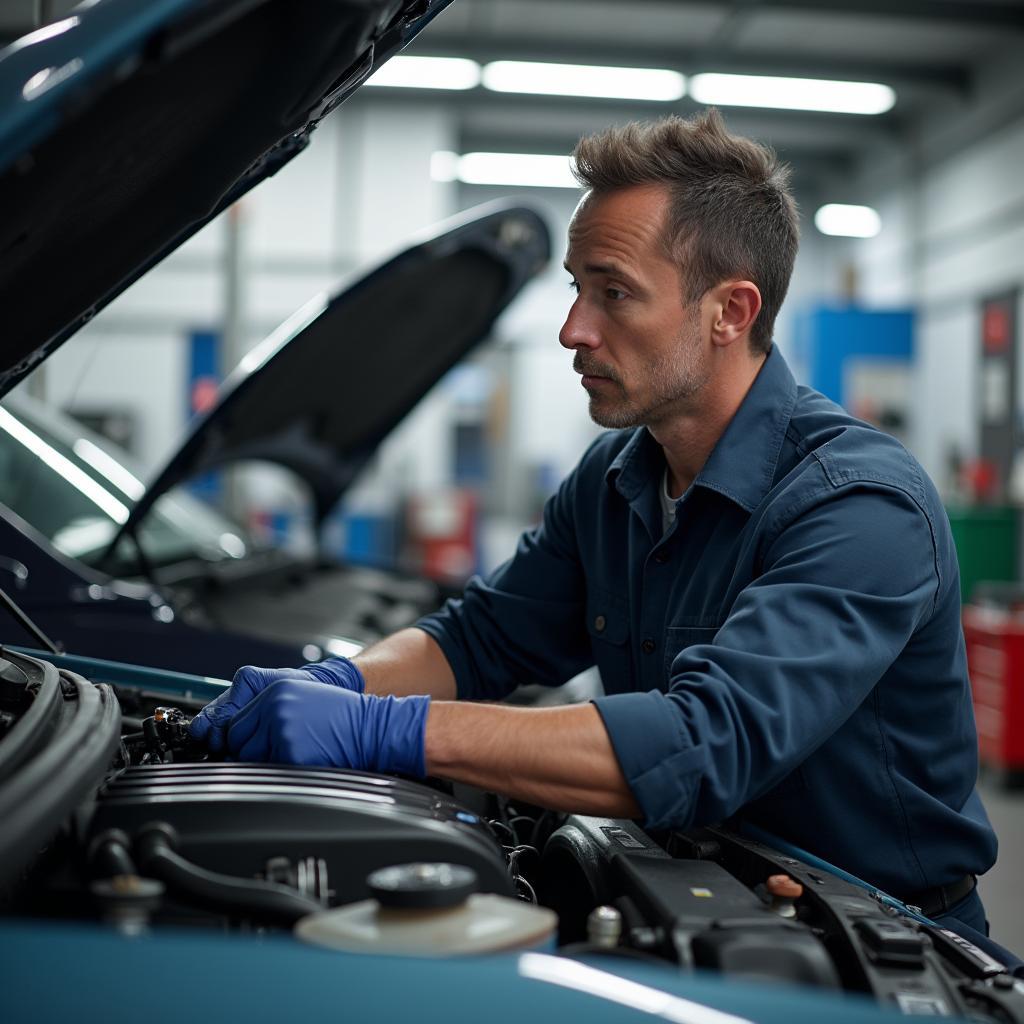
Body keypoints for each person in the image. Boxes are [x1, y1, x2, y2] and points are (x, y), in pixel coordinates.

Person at [190, 109, 997, 935]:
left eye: (614, 292)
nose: (574, 329)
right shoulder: (615, 478)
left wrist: (383, 728)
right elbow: (482, 638)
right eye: (576, 289)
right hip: (697, 903)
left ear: (731, 311)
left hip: (877, 939)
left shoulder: (857, 504)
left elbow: (706, 741)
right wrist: (348, 682)